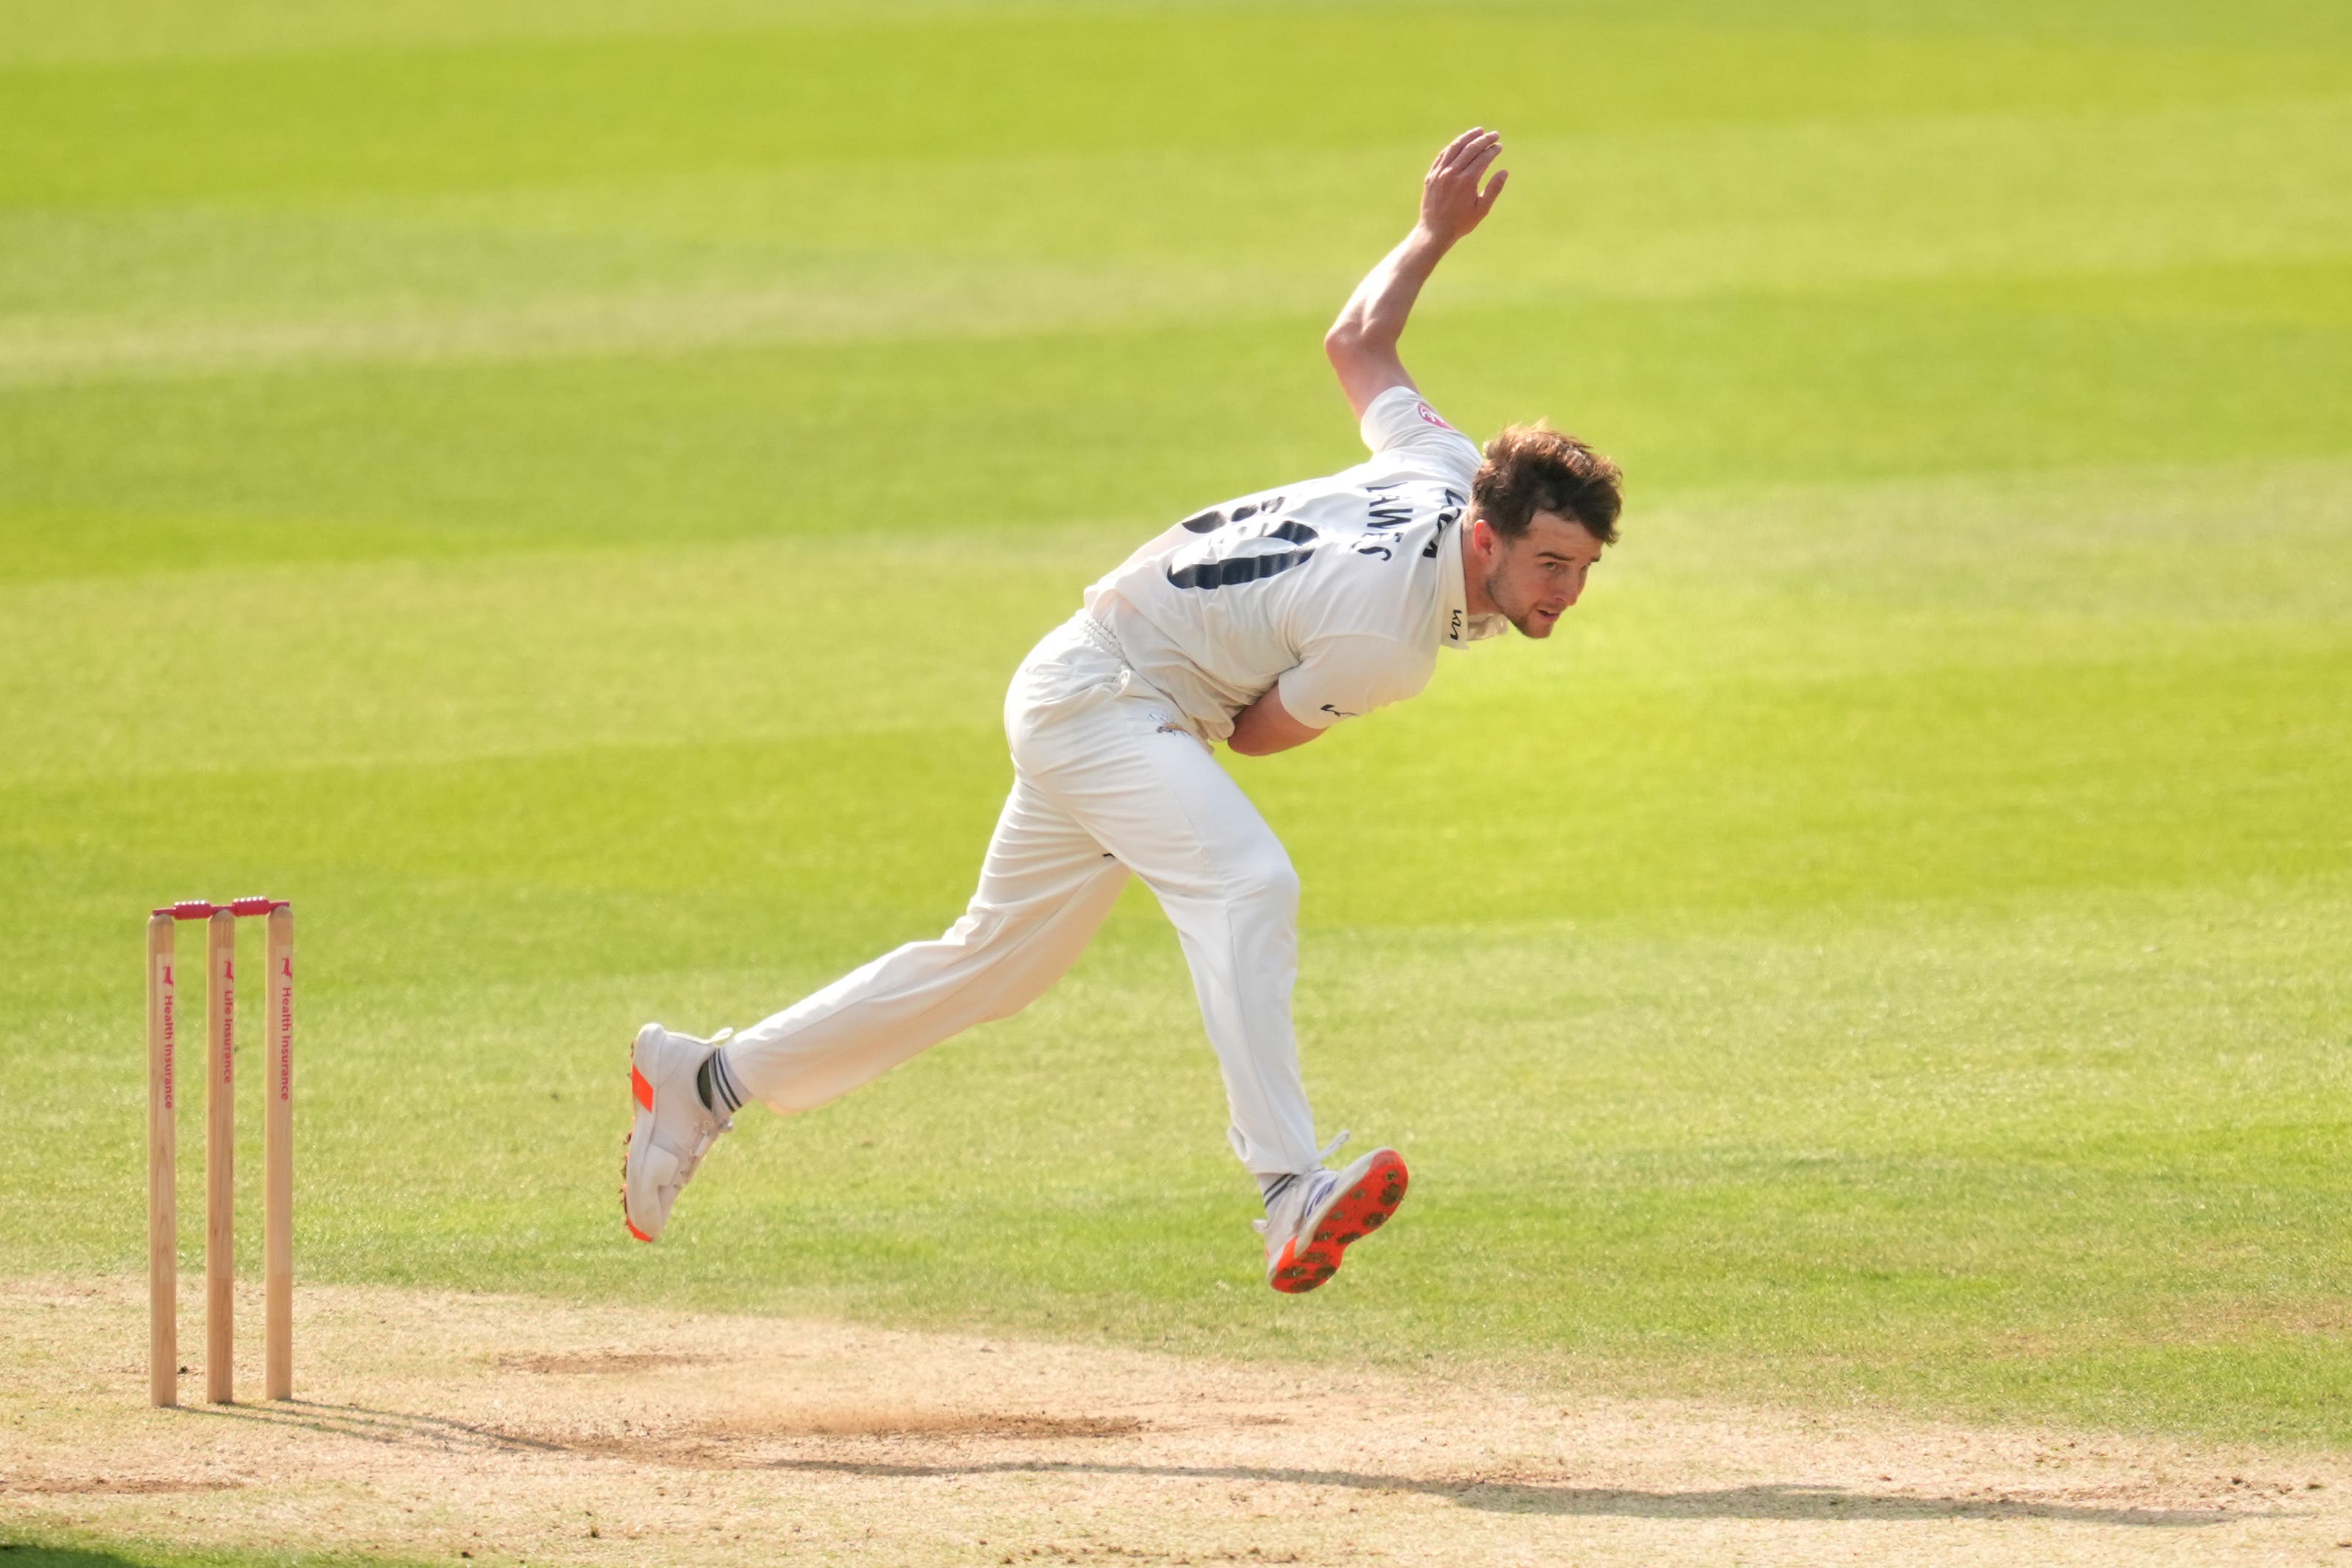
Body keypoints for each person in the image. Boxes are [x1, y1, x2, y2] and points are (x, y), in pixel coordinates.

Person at [622, 127, 1623, 1293]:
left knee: (995, 967)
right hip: (1111, 704)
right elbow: (1255, 733)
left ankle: (708, 1082)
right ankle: (1285, 1186)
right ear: (1490, 538)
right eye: (1550, 565)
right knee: (1247, 883)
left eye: (1584, 569)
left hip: (1093, 684)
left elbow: (1358, 342)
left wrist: (1429, 236)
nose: (1565, 594)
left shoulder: (1440, 469)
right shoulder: (1387, 640)